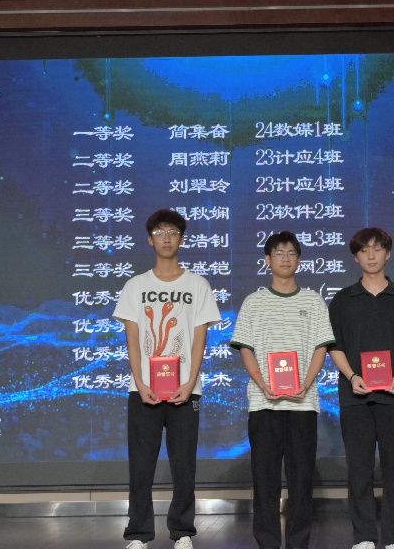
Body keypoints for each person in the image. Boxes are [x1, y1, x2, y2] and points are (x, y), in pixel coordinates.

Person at [112, 209, 222, 549]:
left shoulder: (198, 285)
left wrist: (189, 383)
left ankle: (183, 532)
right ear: (150, 239)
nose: (166, 238)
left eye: (172, 232)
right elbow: (132, 339)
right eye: (160, 232)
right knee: (141, 467)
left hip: (186, 391)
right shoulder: (135, 285)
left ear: (181, 239)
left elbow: (200, 338)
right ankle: (138, 535)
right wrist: (141, 382)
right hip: (143, 391)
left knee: (184, 466)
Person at [229, 231, 334, 549]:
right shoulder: (254, 302)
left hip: (303, 404)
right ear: (267, 260)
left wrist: (306, 383)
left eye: (291, 253)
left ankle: (299, 543)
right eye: (279, 253)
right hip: (264, 404)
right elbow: (245, 348)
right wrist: (262, 383)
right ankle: (267, 542)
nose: (285, 258)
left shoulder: (313, 301)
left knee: (302, 480)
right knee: (265, 480)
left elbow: (321, 347)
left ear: (299, 260)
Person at [327, 227, 394, 549]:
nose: (371, 255)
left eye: (377, 248)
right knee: (359, 470)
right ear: (355, 256)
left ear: (388, 253)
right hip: (354, 397)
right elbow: (334, 346)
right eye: (364, 250)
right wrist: (351, 376)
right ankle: (364, 537)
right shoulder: (343, 299)